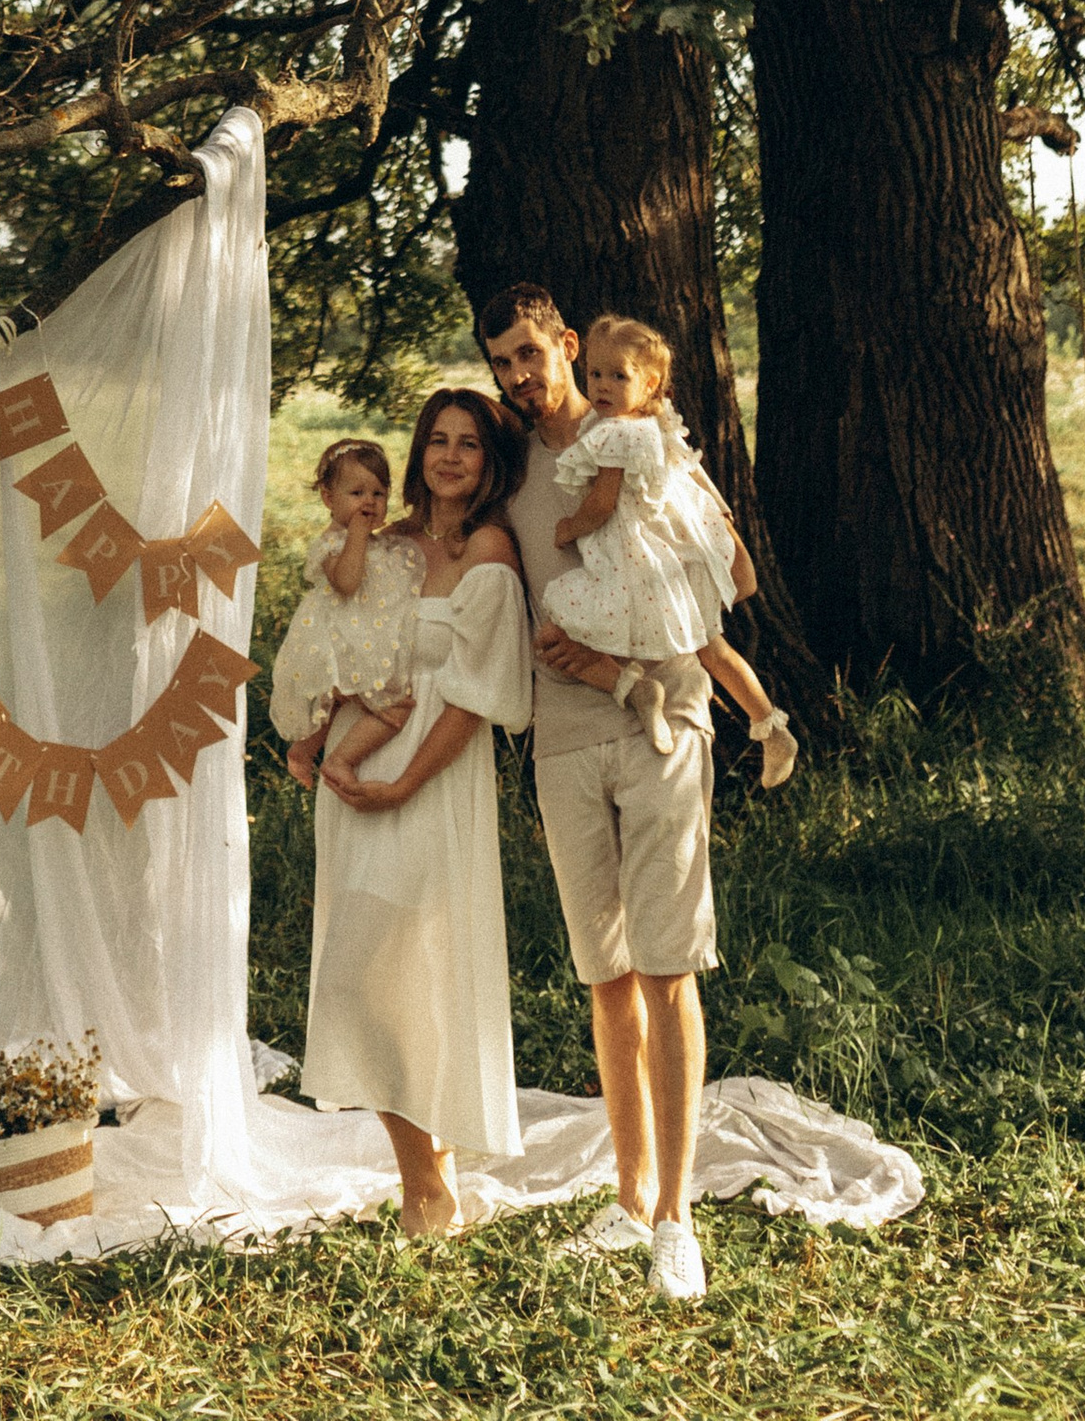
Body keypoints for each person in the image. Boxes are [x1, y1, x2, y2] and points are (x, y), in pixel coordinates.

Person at [481, 282, 731, 1306]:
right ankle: (628, 1200)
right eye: (501, 364)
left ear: (567, 345)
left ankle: (677, 1217)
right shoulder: (507, 466)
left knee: (669, 968)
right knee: (607, 976)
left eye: (529, 357)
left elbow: (727, 572)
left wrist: (640, 656)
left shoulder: (640, 437)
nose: (519, 380)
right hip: (560, 739)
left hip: (659, 722)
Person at [297, 385, 535, 1236]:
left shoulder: (490, 554)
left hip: (431, 783)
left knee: (416, 973)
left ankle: (429, 1183)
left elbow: (477, 697)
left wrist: (404, 784)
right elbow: (330, 634)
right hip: (357, 777)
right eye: (437, 439)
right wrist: (313, 736)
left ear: (488, 461)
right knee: (360, 978)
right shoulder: (385, 545)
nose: (450, 456)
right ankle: (424, 1173)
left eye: (469, 443)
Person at [542, 313, 799, 791]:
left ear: (649, 382)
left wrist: (568, 529)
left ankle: (636, 690)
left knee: (572, 620)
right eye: (595, 373)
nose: (601, 385)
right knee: (712, 648)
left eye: (618, 376)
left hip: (642, 559)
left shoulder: (617, 433)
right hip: (670, 556)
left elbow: (600, 505)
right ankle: (770, 726)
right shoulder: (653, 420)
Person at [270, 435, 425, 790]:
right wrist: (357, 533)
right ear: (329, 497)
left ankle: (305, 753)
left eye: (378, 493)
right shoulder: (333, 542)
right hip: (336, 636)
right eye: (356, 494)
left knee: (344, 705)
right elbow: (347, 582)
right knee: (379, 704)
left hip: (365, 635)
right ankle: (324, 757)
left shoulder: (379, 543)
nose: (368, 502)